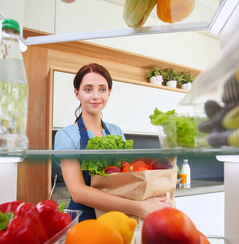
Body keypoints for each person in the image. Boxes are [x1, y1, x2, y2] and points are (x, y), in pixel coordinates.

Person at [54, 63, 171, 222]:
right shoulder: (66, 135)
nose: (96, 96)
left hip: (117, 217)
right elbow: (78, 192)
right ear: (77, 93)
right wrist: (141, 207)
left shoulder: (116, 132)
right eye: (88, 89)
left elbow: (126, 180)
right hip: (85, 220)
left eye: (102, 89)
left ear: (109, 93)